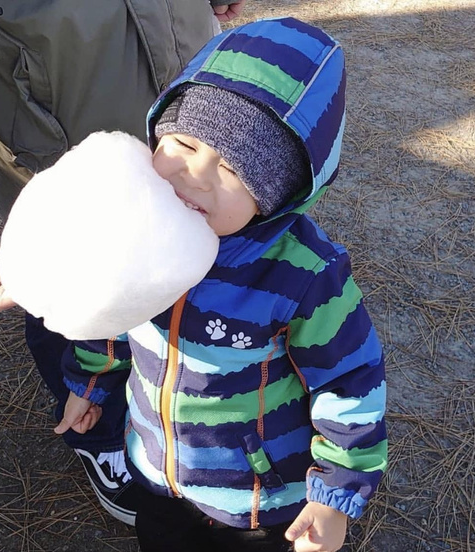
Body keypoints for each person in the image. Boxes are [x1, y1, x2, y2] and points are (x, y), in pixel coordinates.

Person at [59, 17, 387, 552]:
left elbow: (351, 384)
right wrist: (90, 384)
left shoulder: (305, 274)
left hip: (257, 499)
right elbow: (113, 313)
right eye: (184, 142)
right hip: (157, 475)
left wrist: (335, 496)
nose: (195, 173)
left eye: (234, 168)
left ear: (278, 194)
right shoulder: (142, 228)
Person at [0, 0, 246, 527]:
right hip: (64, 151)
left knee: (207, 291)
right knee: (83, 312)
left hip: (192, 102)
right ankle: (100, 432)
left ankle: (198, 428)